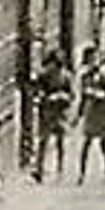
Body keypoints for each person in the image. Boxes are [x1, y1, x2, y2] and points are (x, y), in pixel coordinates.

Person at [76, 44, 105, 184]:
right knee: (86, 143)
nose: (93, 60)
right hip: (91, 111)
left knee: (104, 144)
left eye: (94, 58)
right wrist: (79, 114)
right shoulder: (84, 75)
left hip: (101, 111)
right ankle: (81, 173)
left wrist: (103, 96)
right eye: (90, 58)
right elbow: (83, 94)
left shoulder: (104, 74)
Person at [32, 50, 75, 181]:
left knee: (59, 141)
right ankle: (39, 168)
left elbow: (71, 94)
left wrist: (64, 97)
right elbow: (38, 91)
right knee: (43, 140)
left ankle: (59, 168)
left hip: (60, 110)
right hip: (47, 110)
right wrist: (46, 97)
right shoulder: (44, 74)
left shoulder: (66, 76)